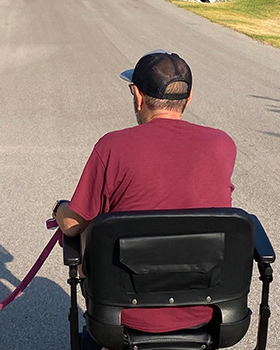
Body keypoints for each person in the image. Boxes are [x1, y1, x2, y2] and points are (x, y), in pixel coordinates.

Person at [54, 50, 236, 334]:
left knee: (93, 226)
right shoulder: (221, 144)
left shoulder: (112, 147)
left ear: (137, 96)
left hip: (124, 311)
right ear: (188, 99)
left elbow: (72, 223)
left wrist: (59, 208)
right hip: (210, 306)